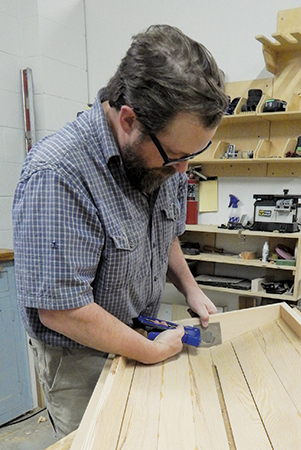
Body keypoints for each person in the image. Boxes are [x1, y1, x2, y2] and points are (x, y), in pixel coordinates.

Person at [12, 24, 228, 438]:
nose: (182, 169)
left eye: (193, 155)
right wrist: (148, 351)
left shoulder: (163, 157)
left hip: (142, 331)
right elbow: (62, 309)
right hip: (79, 357)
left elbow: (163, 235)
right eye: (177, 156)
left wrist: (191, 289)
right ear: (129, 119)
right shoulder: (57, 174)